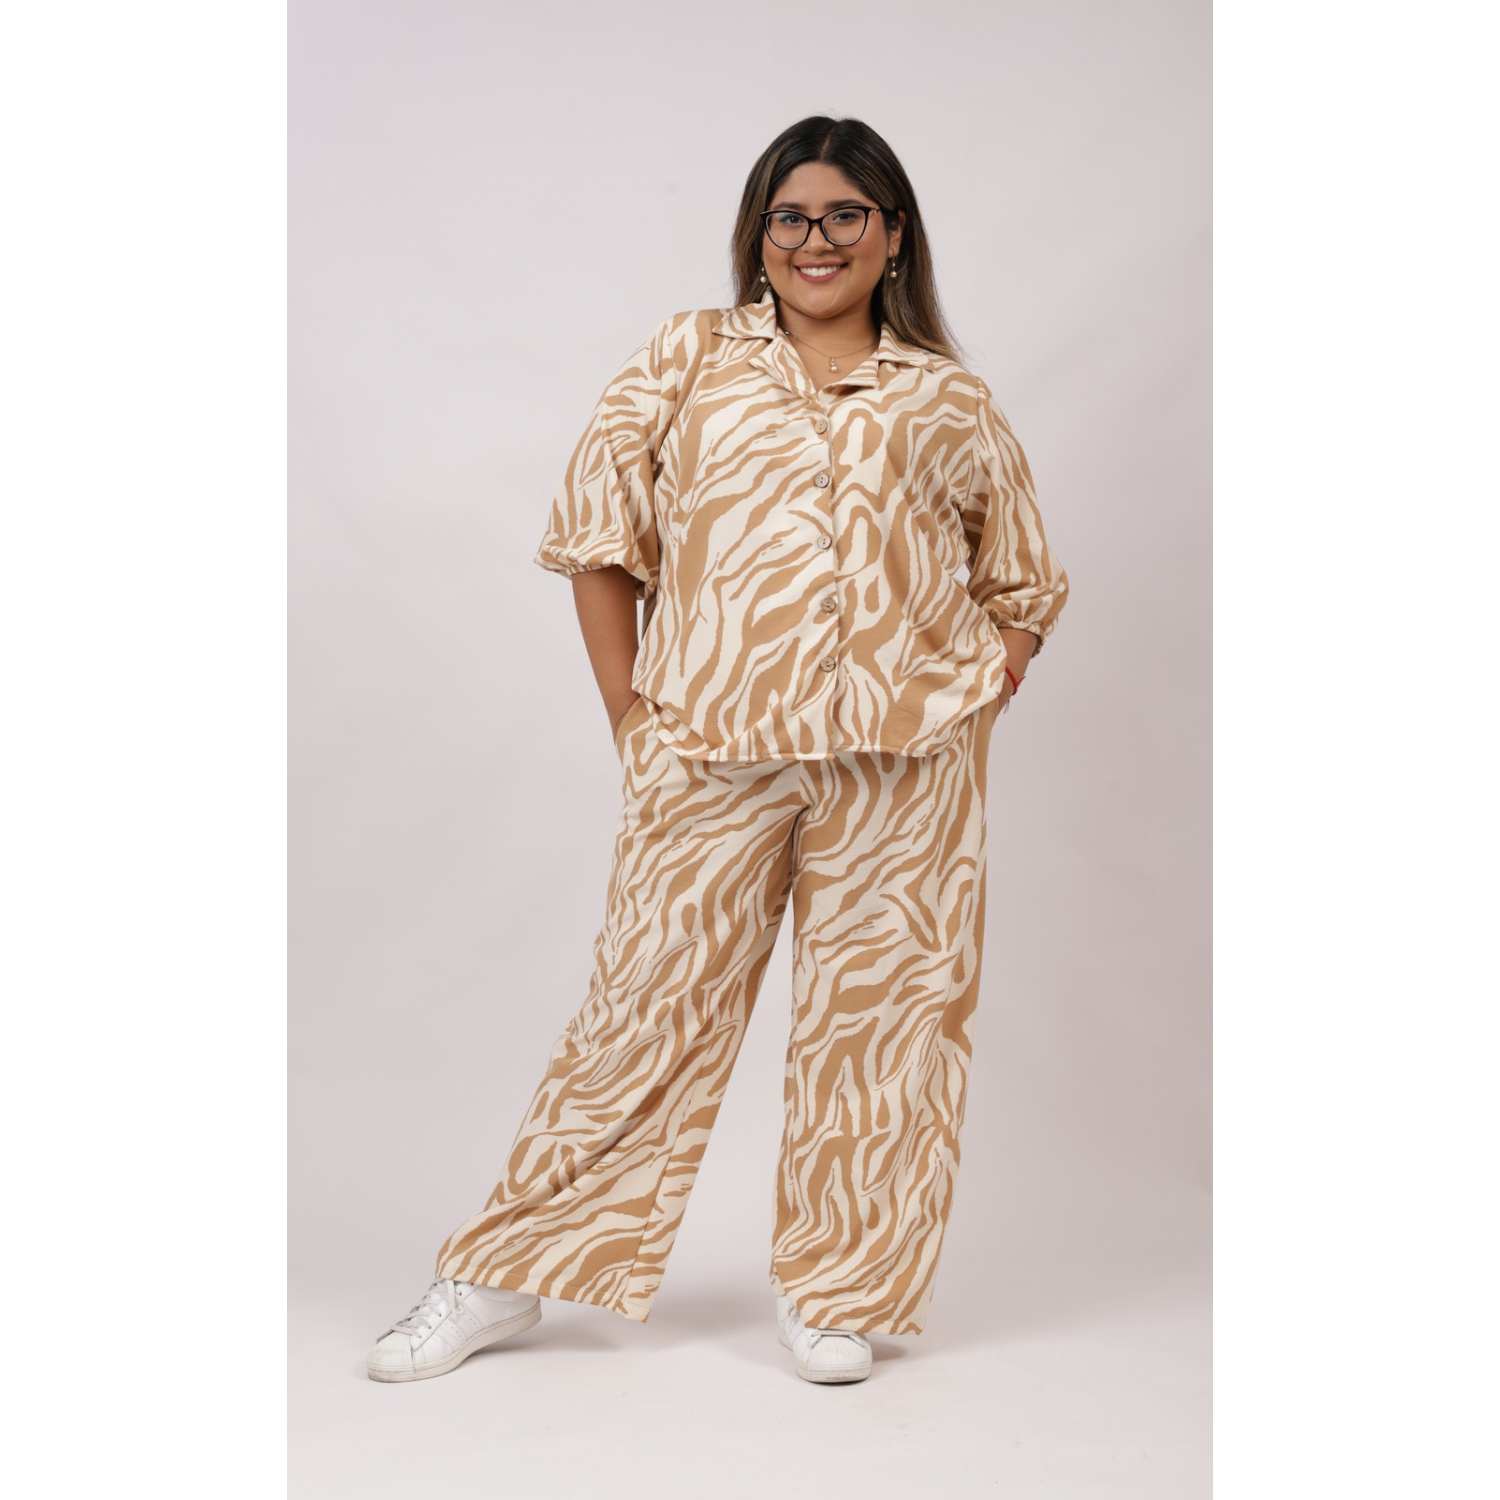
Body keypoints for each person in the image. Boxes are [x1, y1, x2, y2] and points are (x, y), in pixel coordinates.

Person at [367, 115, 1070, 1387]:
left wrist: (987, 679)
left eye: (846, 215)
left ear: (893, 235)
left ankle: (835, 1290)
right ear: (758, 233)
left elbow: (1020, 575)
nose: (816, 240)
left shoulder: (945, 395)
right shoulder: (686, 359)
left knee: (882, 1026)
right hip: (710, 749)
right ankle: (505, 1272)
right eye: (791, 216)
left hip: (905, 769)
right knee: (642, 1009)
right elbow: (598, 535)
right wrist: (629, 715)